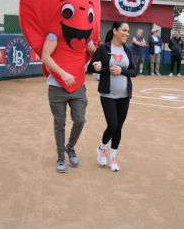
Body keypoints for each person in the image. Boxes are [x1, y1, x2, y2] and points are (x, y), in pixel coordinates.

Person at [42, 35, 101, 173]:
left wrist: (99, 59)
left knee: (80, 120)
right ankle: (61, 156)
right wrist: (62, 74)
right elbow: (45, 56)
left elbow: (93, 52)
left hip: (78, 84)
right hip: (56, 85)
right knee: (59, 123)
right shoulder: (54, 33)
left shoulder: (86, 34)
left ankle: (70, 147)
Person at [88, 20, 137, 172]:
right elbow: (91, 67)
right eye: (124, 30)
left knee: (119, 127)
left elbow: (134, 72)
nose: (127, 34)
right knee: (113, 125)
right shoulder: (104, 48)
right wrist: (106, 69)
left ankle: (112, 158)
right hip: (107, 94)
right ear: (115, 31)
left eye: (128, 31)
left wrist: (121, 70)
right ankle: (102, 148)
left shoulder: (127, 50)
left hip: (124, 94)